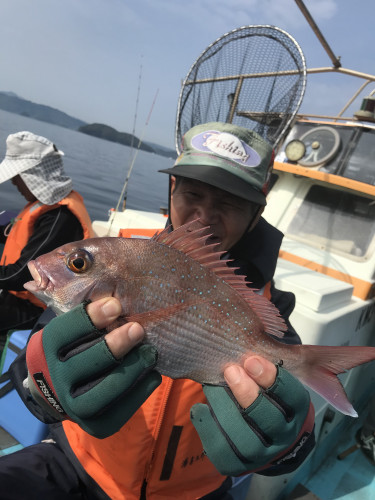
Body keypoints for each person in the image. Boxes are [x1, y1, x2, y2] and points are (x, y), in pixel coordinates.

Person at [0, 123, 315, 500]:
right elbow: (32, 373)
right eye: (193, 193)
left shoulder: (270, 306)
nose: (203, 216)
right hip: (81, 465)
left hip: (193, 493)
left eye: (229, 203)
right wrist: (46, 386)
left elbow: (289, 423)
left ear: (255, 213)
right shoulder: (119, 259)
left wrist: (287, 443)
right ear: (173, 190)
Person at [0, 131, 94, 347]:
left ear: (34, 176)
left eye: (18, 175)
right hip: (20, 296)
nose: (14, 181)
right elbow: (14, 234)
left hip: (37, 306)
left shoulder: (59, 218)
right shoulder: (45, 207)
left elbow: (21, 275)